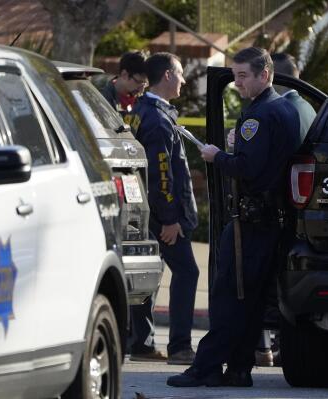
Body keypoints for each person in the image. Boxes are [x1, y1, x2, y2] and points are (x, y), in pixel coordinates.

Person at [167, 47, 300, 387]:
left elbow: (247, 168)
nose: (237, 83)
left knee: (229, 296)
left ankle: (205, 367)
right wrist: (237, 146)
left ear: (264, 75)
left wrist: (217, 156)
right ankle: (239, 370)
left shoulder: (258, 115)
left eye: (243, 76)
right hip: (273, 221)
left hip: (251, 223)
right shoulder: (284, 110)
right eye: (235, 75)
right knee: (251, 300)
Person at [128, 52, 200, 365]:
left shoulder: (142, 110)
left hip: (144, 212)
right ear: (168, 76)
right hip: (162, 216)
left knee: (149, 275)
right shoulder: (156, 119)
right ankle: (181, 347)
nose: (184, 80)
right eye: (181, 73)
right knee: (187, 272)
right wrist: (171, 220)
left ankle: (142, 344)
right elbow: (161, 177)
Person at [100, 51, 166, 362]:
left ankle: (136, 339)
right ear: (123, 74)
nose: (139, 90)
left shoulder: (136, 104)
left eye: (143, 86)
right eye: (137, 83)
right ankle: (132, 339)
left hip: (131, 192)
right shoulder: (100, 98)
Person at [254, 52, 319, 367]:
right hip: (304, 212)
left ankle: (261, 347)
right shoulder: (307, 107)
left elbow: (260, 164)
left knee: (263, 282)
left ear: (268, 77)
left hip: (275, 209)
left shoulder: (274, 110)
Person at [100, 51, 148, 119]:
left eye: (145, 84)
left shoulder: (141, 100)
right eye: (138, 82)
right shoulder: (103, 100)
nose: (142, 89)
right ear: (124, 74)